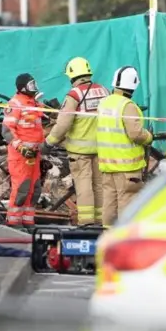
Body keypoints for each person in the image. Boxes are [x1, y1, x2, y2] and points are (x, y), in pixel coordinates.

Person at [41, 57, 109, 225]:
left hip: (80, 152)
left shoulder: (74, 95)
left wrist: (49, 142)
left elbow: (63, 123)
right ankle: (100, 222)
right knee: (99, 186)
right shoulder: (104, 91)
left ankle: (86, 223)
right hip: (102, 148)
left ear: (72, 76)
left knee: (84, 186)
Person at [96, 66, 153, 226]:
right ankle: (123, 239)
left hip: (108, 165)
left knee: (109, 204)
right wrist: (149, 137)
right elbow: (135, 134)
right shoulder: (127, 106)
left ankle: (107, 236)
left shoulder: (104, 103)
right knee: (127, 203)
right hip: (127, 167)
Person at [2, 73, 45, 229]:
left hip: (34, 154)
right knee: (22, 188)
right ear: (22, 87)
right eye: (30, 85)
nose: (33, 88)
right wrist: (21, 147)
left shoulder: (34, 104)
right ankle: (13, 221)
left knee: (34, 189)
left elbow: (37, 128)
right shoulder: (15, 104)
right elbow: (7, 131)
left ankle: (28, 219)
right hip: (20, 156)